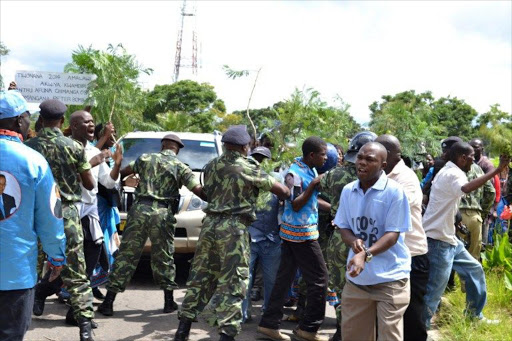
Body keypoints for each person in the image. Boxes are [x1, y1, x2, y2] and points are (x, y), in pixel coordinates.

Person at [174, 125, 290, 341]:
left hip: (209, 226)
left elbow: (208, 193)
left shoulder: (211, 166)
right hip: (234, 229)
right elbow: (282, 191)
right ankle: (227, 335)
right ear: (245, 146)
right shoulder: (247, 167)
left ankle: (183, 330)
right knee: (233, 283)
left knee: (200, 277)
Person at [98, 133, 204, 316]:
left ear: (162, 145)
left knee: (126, 256)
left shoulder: (144, 159)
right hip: (162, 215)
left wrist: (127, 181)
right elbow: (198, 190)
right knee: (163, 257)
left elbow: (121, 174)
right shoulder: (180, 167)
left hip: (139, 210)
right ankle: (169, 302)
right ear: (177, 149)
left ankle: (108, 303)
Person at [25, 99, 96, 341]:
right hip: (66, 214)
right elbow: (90, 183)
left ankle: (21, 319)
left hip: (34, 215)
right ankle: (85, 326)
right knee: (76, 270)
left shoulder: (29, 146)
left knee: (30, 268)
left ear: (41, 119)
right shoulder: (75, 147)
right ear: (63, 121)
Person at [0, 90, 66, 341]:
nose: (30, 123)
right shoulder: (33, 161)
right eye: (28, 117)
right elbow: (51, 218)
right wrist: (56, 257)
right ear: (18, 121)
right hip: (14, 275)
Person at [422, 142, 510, 328]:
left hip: (449, 239)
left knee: (474, 270)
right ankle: (421, 329)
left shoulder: (448, 170)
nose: (473, 161)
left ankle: (473, 315)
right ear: (462, 158)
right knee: (435, 290)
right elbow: (465, 188)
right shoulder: (453, 173)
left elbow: (448, 202)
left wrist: (457, 221)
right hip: (438, 241)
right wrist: (496, 171)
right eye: (471, 158)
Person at [335, 142, 412, 341]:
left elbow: (392, 235)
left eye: (370, 159)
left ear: (383, 165)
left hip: (390, 279)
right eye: (360, 157)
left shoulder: (395, 192)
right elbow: (343, 226)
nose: (361, 162)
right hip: (357, 281)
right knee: (353, 337)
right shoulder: (348, 190)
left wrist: (365, 254)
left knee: (389, 337)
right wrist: (353, 241)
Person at [258, 136, 329, 341]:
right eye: (323, 154)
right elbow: (296, 203)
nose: (326, 158)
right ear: (312, 155)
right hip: (301, 234)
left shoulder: (309, 168)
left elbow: (312, 201)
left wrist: (334, 208)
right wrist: (314, 184)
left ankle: (268, 324)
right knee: (320, 279)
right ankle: (308, 328)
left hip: (297, 232)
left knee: (284, 279)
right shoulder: (294, 174)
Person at [320, 131, 376, 341]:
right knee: (367, 289)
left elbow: (319, 187)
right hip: (367, 239)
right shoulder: (377, 176)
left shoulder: (334, 175)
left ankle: (343, 328)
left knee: (341, 288)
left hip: (339, 236)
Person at [375, 134, 429, 341]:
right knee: (388, 316)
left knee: (412, 316)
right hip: (389, 255)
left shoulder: (405, 178)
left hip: (412, 255)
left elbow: (396, 209)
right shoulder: (380, 175)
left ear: (386, 155)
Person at [70, 111, 122, 304]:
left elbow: (108, 183)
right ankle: (44, 291)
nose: (91, 124)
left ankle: (80, 301)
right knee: (68, 255)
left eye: (93, 121)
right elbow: (64, 178)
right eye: (87, 122)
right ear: (74, 126)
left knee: (94, 250)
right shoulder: (66, 148)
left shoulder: (94, 151)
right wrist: (91, 163)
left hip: (89, 209)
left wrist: (117, 165)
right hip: (69, 208)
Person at [241, 146, 282, 322]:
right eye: (257, 158)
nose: (259, 162)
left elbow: (285, 199)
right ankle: (243, 314)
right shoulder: (243, 177)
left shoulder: (276, 178)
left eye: (262, 158)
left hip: (271, 237)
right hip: (249, 235)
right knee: (245, 279)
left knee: (271, 280)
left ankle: (268, 313)